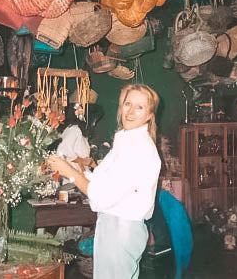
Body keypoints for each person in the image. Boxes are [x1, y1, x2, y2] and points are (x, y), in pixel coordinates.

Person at [47, 84, 161, 279]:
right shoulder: (125, 140)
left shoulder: (138, 147)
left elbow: (101, 195)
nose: (131, 112)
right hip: (114, 226)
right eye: (127, 104)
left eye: (140, 107)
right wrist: (72, 167)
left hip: (122, 229)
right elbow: (98, 179)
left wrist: (69, 172)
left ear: (149, 115)